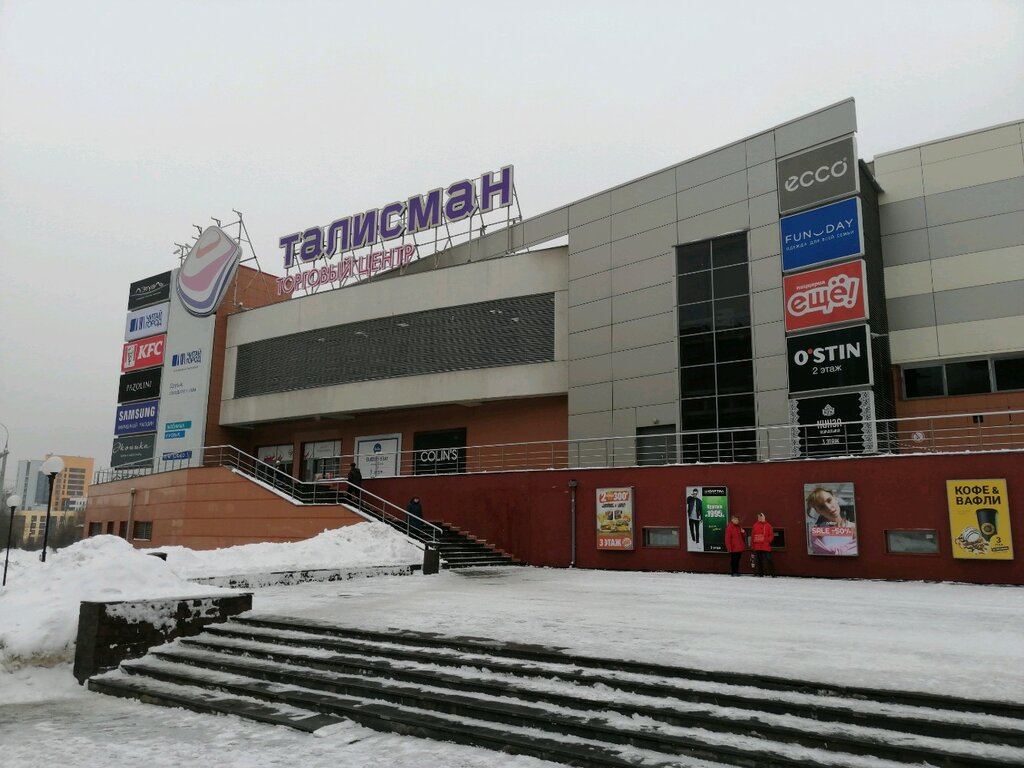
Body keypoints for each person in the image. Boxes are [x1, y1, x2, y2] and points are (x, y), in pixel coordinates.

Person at [806, 486, 857, 556]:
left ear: (835, 498)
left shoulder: (854, 527)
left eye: (829, 500)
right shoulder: (817, 532)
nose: (829, 507)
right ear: (818, 512)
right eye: (822, 507)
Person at [751, 512, 775, 577]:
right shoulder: (755, 525)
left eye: (760, 517)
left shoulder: (768, 525)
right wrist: (752, 546)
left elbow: (771, 535)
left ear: (763, 517)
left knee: (769, 559)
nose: (759, 518)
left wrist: (768, 541)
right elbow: (752, 536)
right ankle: (761, 574)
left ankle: (773, 573)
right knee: (759, 560)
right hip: (757, 546)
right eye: (758, 517)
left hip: (766, 546)